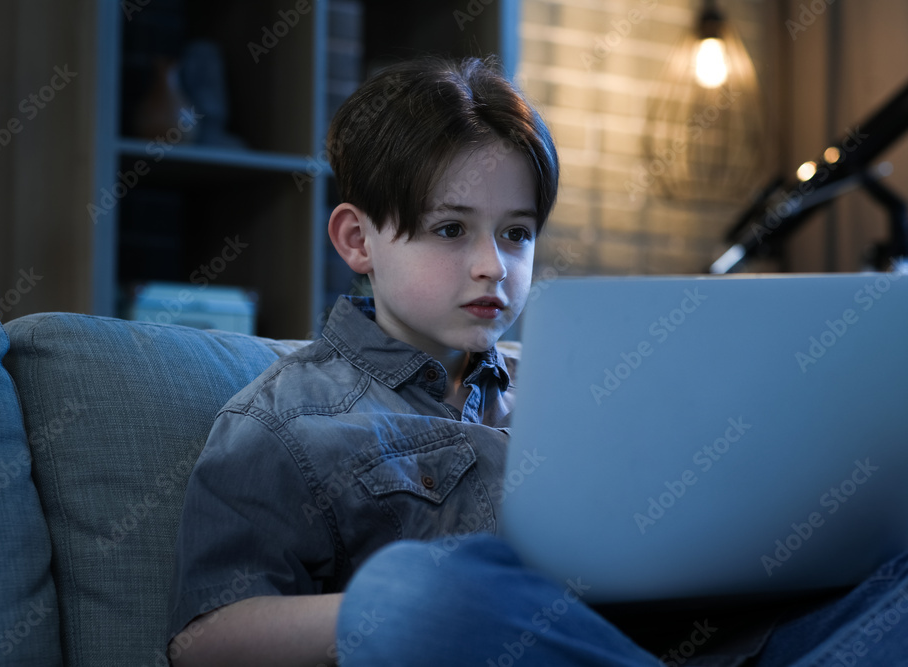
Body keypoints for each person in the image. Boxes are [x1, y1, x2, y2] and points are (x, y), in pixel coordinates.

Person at [166, 57, 908, 667]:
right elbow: (204, 638)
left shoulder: (583, 378)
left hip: (731, 645)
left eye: (517, 234)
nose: (494, 265)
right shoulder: (285, 416)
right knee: (406, 593)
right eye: (452, 229)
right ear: (358, 241)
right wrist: (400, 601)